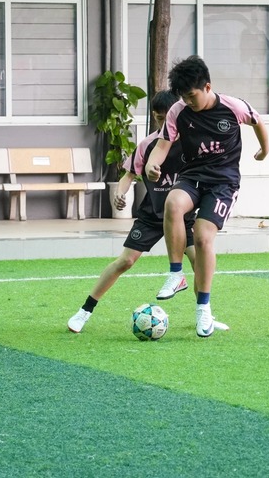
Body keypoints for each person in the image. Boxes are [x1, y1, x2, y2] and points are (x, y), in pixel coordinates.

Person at [146, 55, 269, 337]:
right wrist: (153, 163)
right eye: (184, 97)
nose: (188, 102)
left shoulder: (232, 106)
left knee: (202, 238)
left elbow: (257, 121)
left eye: (192, 96)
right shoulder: (178, 111)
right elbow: (163, 144)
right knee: (173, 203)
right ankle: (176, 274)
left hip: (223, 182)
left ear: (208, 87)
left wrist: (264, 150)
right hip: (192, 176)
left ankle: (203, 308)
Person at [67, 90, 198, 333]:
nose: (162, 123)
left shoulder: (192, 143)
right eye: (158, 118)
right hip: (152, 215)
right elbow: (129, 175)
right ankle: (84, 311)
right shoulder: (147, 145)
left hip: (183, 217)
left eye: (166, 117)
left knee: (199, 262)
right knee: (125, 261)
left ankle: (204, 315)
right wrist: (120, 193)